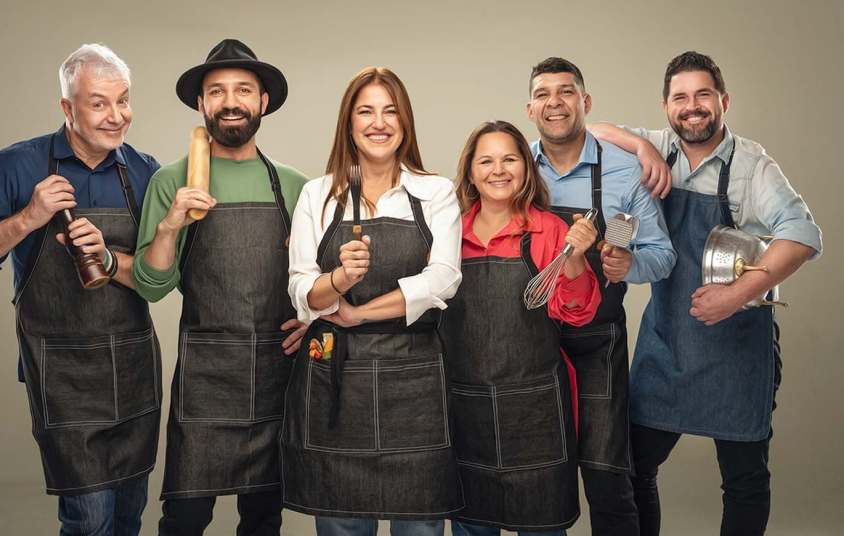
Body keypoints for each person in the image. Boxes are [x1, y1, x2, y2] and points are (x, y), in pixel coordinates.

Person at [588, 51, 823, 536]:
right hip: (668, 342)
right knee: (633, 468)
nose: (692, 107)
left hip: (737, 350)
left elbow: (803, 234)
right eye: (680, 98)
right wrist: (643, 148)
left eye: (703, 95)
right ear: (666, 106)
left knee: (744, 480)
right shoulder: (659, 147)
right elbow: (594, 131)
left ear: (723, 101)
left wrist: (739, 293)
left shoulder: (752, 165)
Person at [0, 44, 161, 535]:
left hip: (132, 367)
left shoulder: (144, 171)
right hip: (60, 373)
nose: (117, 116)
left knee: (128, 515)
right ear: (67, 108)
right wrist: (29, 217)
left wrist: (110, 257)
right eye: (99, 103)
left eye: (123, 101)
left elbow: (159, 275)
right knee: (89, 520)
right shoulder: (18, 166)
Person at [130, 39, 308, 536]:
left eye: (243, 90)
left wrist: (310, 317)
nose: (231, 101)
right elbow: (151, 286)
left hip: (278, 371)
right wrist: (169, 225)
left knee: (263, 517)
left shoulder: (294, 185)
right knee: (185, 518)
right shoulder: (173, 180)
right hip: (206, 377)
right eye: (217, 91)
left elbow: (314, 282)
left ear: (263, 102)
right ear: (201, 104)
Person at [282, 67, 463, 536]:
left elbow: (443, 279)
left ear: (405, 123)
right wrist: (340, 278)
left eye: (390, 111)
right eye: (366, 111)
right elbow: (303, 290)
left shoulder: (435, 191)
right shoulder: (317, 195)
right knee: (342, 523)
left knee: (420, 525)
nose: (378, 122)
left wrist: (358, 311)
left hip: (415, 380)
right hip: (337, 382)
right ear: (349, 123)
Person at [524, 57, 676, 536]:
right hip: (529, 340)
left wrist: (630, 265)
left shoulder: (625, 171)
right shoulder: (514, 166)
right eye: (544, 94)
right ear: (530, 109)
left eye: (566, 92)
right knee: (540, 473)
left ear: (584, 102)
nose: (555, 103)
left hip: (597, 342)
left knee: (608, 474)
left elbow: (663, 255)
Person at [446, 120, 600, 536]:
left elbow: (578, 312)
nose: (499, 170)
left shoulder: (550, 230)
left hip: (536, 414)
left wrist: (575, 256)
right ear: (471, 173)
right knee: (471, 525)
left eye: (510, 158)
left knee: (542, 525)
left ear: (526, 168)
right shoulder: (447, 234)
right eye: (486, 161)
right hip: (466, 409)